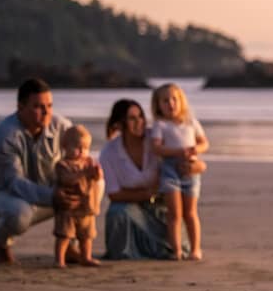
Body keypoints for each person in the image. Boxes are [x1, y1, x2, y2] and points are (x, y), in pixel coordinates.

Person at [0, 77, 84, 264]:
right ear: (20, 107)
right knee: (19, 214)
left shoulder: (61, 126)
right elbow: (14, 183)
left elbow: (81, 154)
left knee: (84, 189)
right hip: (2, 196)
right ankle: (2, 244)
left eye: (49, 106)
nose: (46, 112)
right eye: (38, 107)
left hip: (47, 194)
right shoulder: (5, 136)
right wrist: (53, 196)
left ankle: (69, 245)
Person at [99, 98, 202, 260]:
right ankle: (128, 251)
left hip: (162, 206)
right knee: (117, 212)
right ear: (119, 124)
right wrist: (148, 193)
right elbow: (114, 194)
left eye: (141, 116)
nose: (139, 122)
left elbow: (185, 154)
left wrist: (198, 166)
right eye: (132, 118)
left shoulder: (155, 139)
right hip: (131, 206)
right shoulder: (108, 152)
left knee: (178, 243)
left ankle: (155, 247)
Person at [150, 83, 209, 261]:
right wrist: (177, 152)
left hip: (190, 169)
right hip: (169, 169)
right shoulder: (160, 125)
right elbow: (156, 148)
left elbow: (204, 143)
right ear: (158, 105)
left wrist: (194, 149)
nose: (171, 104)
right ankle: (176, 250)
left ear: (181, 101)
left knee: (190, 212)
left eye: (174, 99)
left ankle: (195, 248)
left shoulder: (191, 122)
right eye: (165, 101)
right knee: (174, 213)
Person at [53, 125, 103, 268]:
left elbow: (96, 180)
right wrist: (84, 174)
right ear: (65, 146)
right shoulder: (62, 165)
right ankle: (60, 259)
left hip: (86, 206)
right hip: (68, 208)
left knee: (86, 235)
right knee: (64, 234)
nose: (82, 152)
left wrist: (96, 173)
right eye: (77, 147)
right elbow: (67, 179)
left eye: (86, 148)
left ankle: (86, 257)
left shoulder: (87, 163)